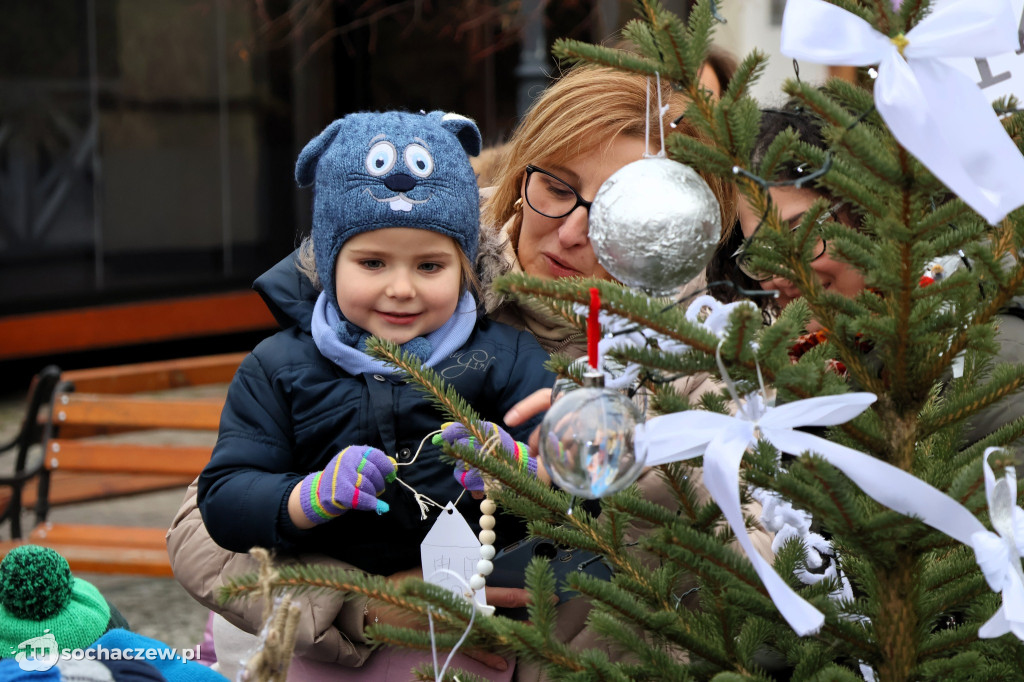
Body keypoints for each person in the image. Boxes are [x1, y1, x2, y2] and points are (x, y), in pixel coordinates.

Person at [168, 65, 770, 680]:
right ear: (522, 172)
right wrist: (363, 608)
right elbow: (203, 532)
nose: (571, 232)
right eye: (558, 187)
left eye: (621, 215)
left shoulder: (704, 369)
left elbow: (768, 566)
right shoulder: (399, 277)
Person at [705, 104, 1024, 450]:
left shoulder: (988, 353)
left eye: (804, 231)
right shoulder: (822, 367)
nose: (784, 270)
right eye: (761, 251)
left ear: (869, 212)